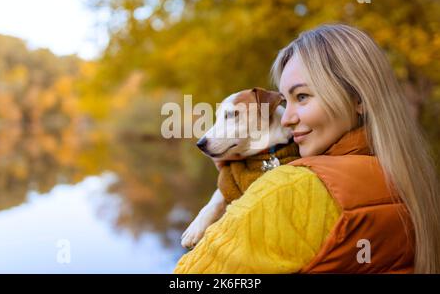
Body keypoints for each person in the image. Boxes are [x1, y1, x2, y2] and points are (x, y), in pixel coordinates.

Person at [174, 24, 440, 273]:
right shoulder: (413, 180)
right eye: (286, 99)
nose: (287, 118)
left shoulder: (292, 187)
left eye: (302, 96)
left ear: (357, 99)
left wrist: (236, 204)